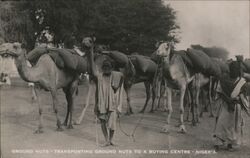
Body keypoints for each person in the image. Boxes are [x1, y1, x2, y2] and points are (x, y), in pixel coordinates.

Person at [89, 46, 124, 147]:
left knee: (112, 125)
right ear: (102, 69)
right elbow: (96, 92)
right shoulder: (99, 77)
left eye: (108, 68)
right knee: (103, 122)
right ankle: (106, 140)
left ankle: (111, 140)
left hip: (112, 104)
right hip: (102, 103)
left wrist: (117, 87)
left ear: (112, 68)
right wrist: (95, 105)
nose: (106, 70)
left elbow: (123, 76)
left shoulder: (116, 75)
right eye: (105, 68)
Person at [213, 60, 250, 151]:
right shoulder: (223, 79)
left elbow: (244, 96)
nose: (233, 70)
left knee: (233, 126)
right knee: (221, 123)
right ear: (230, 69)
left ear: (238, 71)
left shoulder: (242, 82)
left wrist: (238, 100)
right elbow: (219, 92)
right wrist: (229, 100)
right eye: (232, 69)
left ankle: (230, 144)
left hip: (236, 106)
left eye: (235, 69)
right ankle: (218, 143)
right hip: (225, 104)